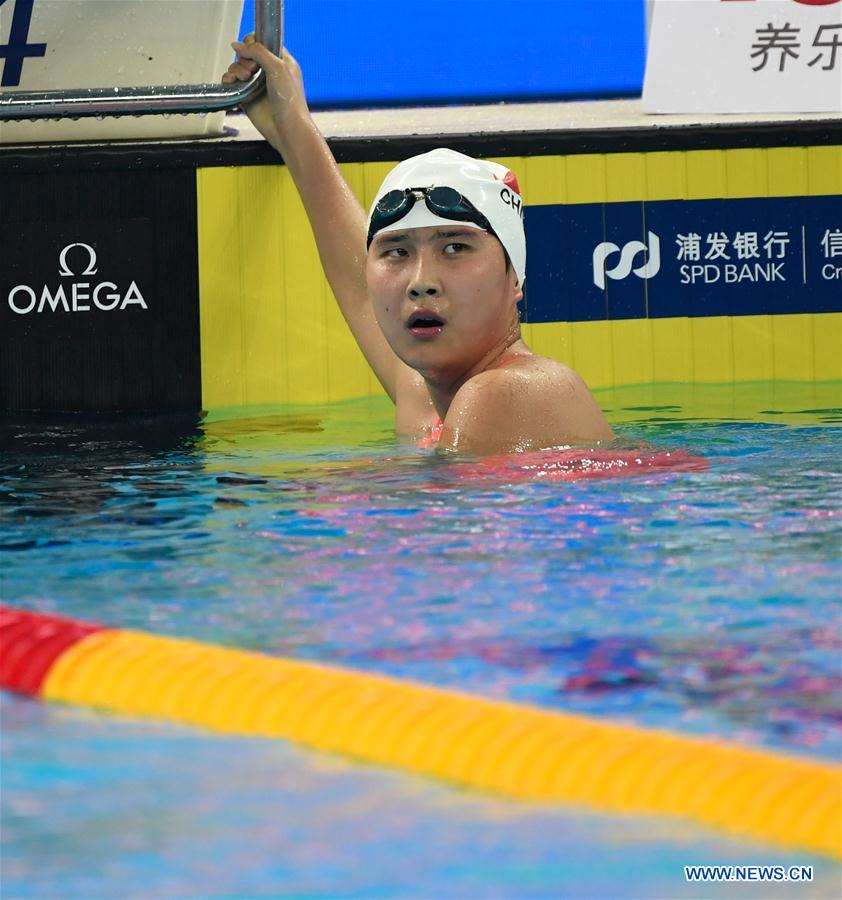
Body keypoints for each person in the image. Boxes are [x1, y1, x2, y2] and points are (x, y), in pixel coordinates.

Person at [223, 38, 613, 455]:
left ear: (513, 274)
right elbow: (357, 283)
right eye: (397, 252)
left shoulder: (510, 392)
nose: (420, 282)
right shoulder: (426, 397)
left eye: (454, 248)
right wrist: (290, 123)